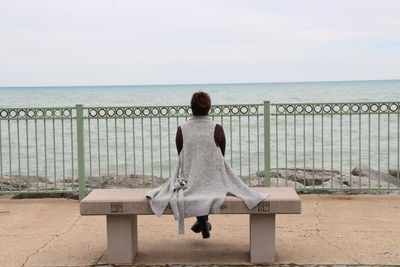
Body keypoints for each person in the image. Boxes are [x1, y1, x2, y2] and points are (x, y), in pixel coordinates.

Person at [146, 91, 270, 238]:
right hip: (214, 180)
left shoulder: (182, 130)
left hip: (190, 181)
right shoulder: (217, 128)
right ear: (209, 108)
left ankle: (202, 221)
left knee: (194, 188)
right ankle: (203, 221)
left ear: (191, 108)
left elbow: (182, 155)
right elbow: (221, 155)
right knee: (206, 189)